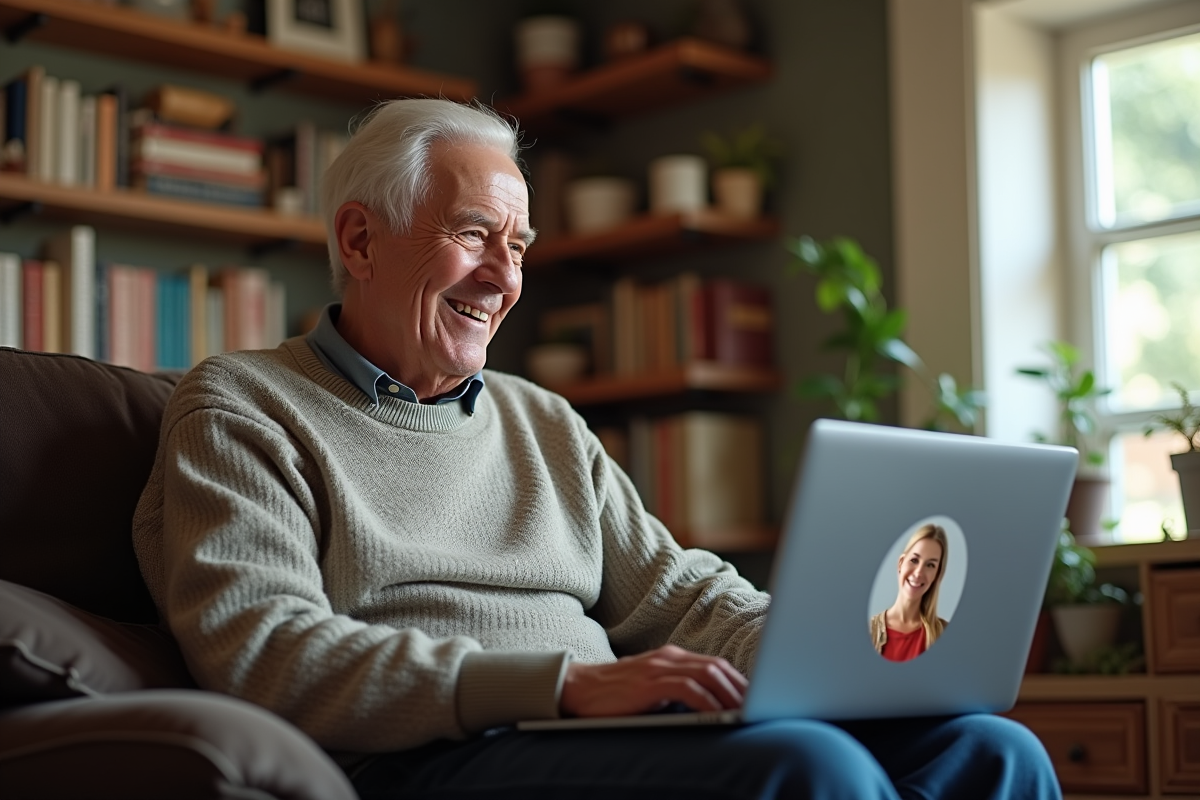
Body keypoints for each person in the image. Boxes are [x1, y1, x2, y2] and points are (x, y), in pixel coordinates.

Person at [132, 98, 1060, 800]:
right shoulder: (244, 406)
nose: (504, 277)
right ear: (360, 240)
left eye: (520, 246)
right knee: (803, 766)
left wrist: (818, 645)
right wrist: (566, 686)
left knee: (989, 749)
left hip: (592, 731)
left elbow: (676, 590)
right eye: (472, 237)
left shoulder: (541, 421)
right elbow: (267, 649)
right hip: (433, 760)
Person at [870, 525, 950, 662]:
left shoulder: (946, 634)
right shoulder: (868, 631)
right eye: (914, 560)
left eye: (930, 565)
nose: (919, 572)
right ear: (901, 563)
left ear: (937, 575)